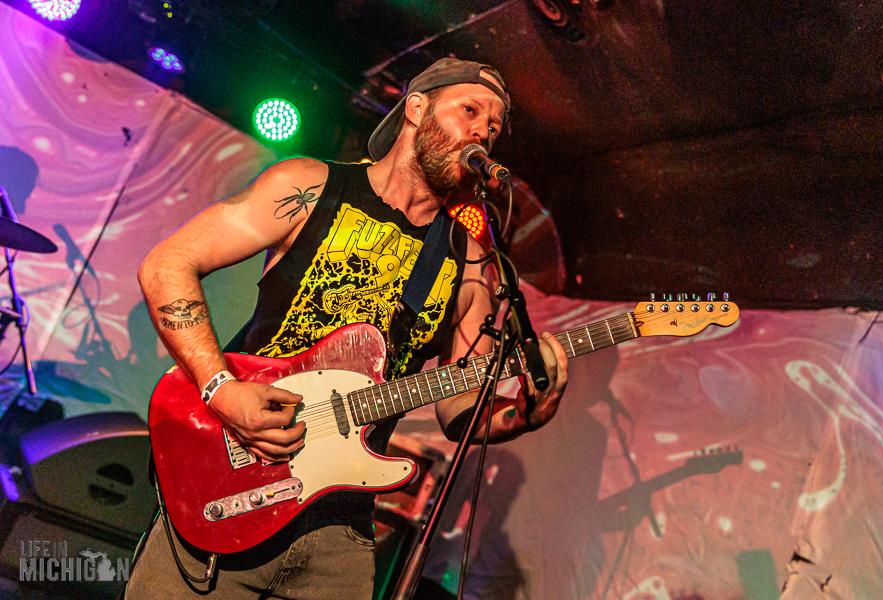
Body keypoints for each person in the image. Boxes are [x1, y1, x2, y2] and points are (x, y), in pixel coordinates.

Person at [125, 57, 568, 600]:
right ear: (416, 108)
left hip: (340, 536)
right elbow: (168, 265)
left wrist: (521, 415)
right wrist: (222, 390)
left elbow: (459, 409)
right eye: (470, 111)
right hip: (232, 481)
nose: (483, 132)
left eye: (494, 127)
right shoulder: (309, 186)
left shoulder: (471, 261)